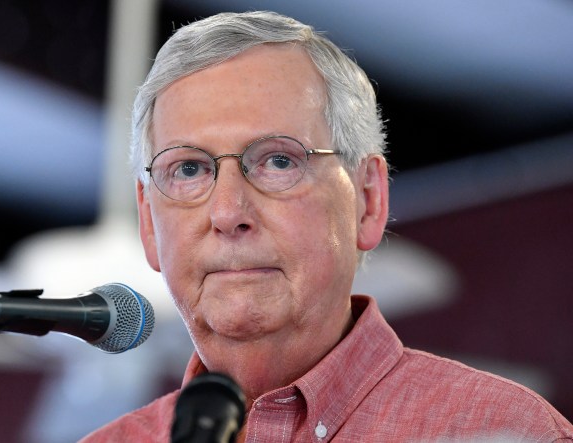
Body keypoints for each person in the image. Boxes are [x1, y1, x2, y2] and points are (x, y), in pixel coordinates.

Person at [81, 10, 573, 442]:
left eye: (277, 161)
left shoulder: (506, 432)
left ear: (367, 201)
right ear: (148, 222)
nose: (228, 212)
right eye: (188, 169)